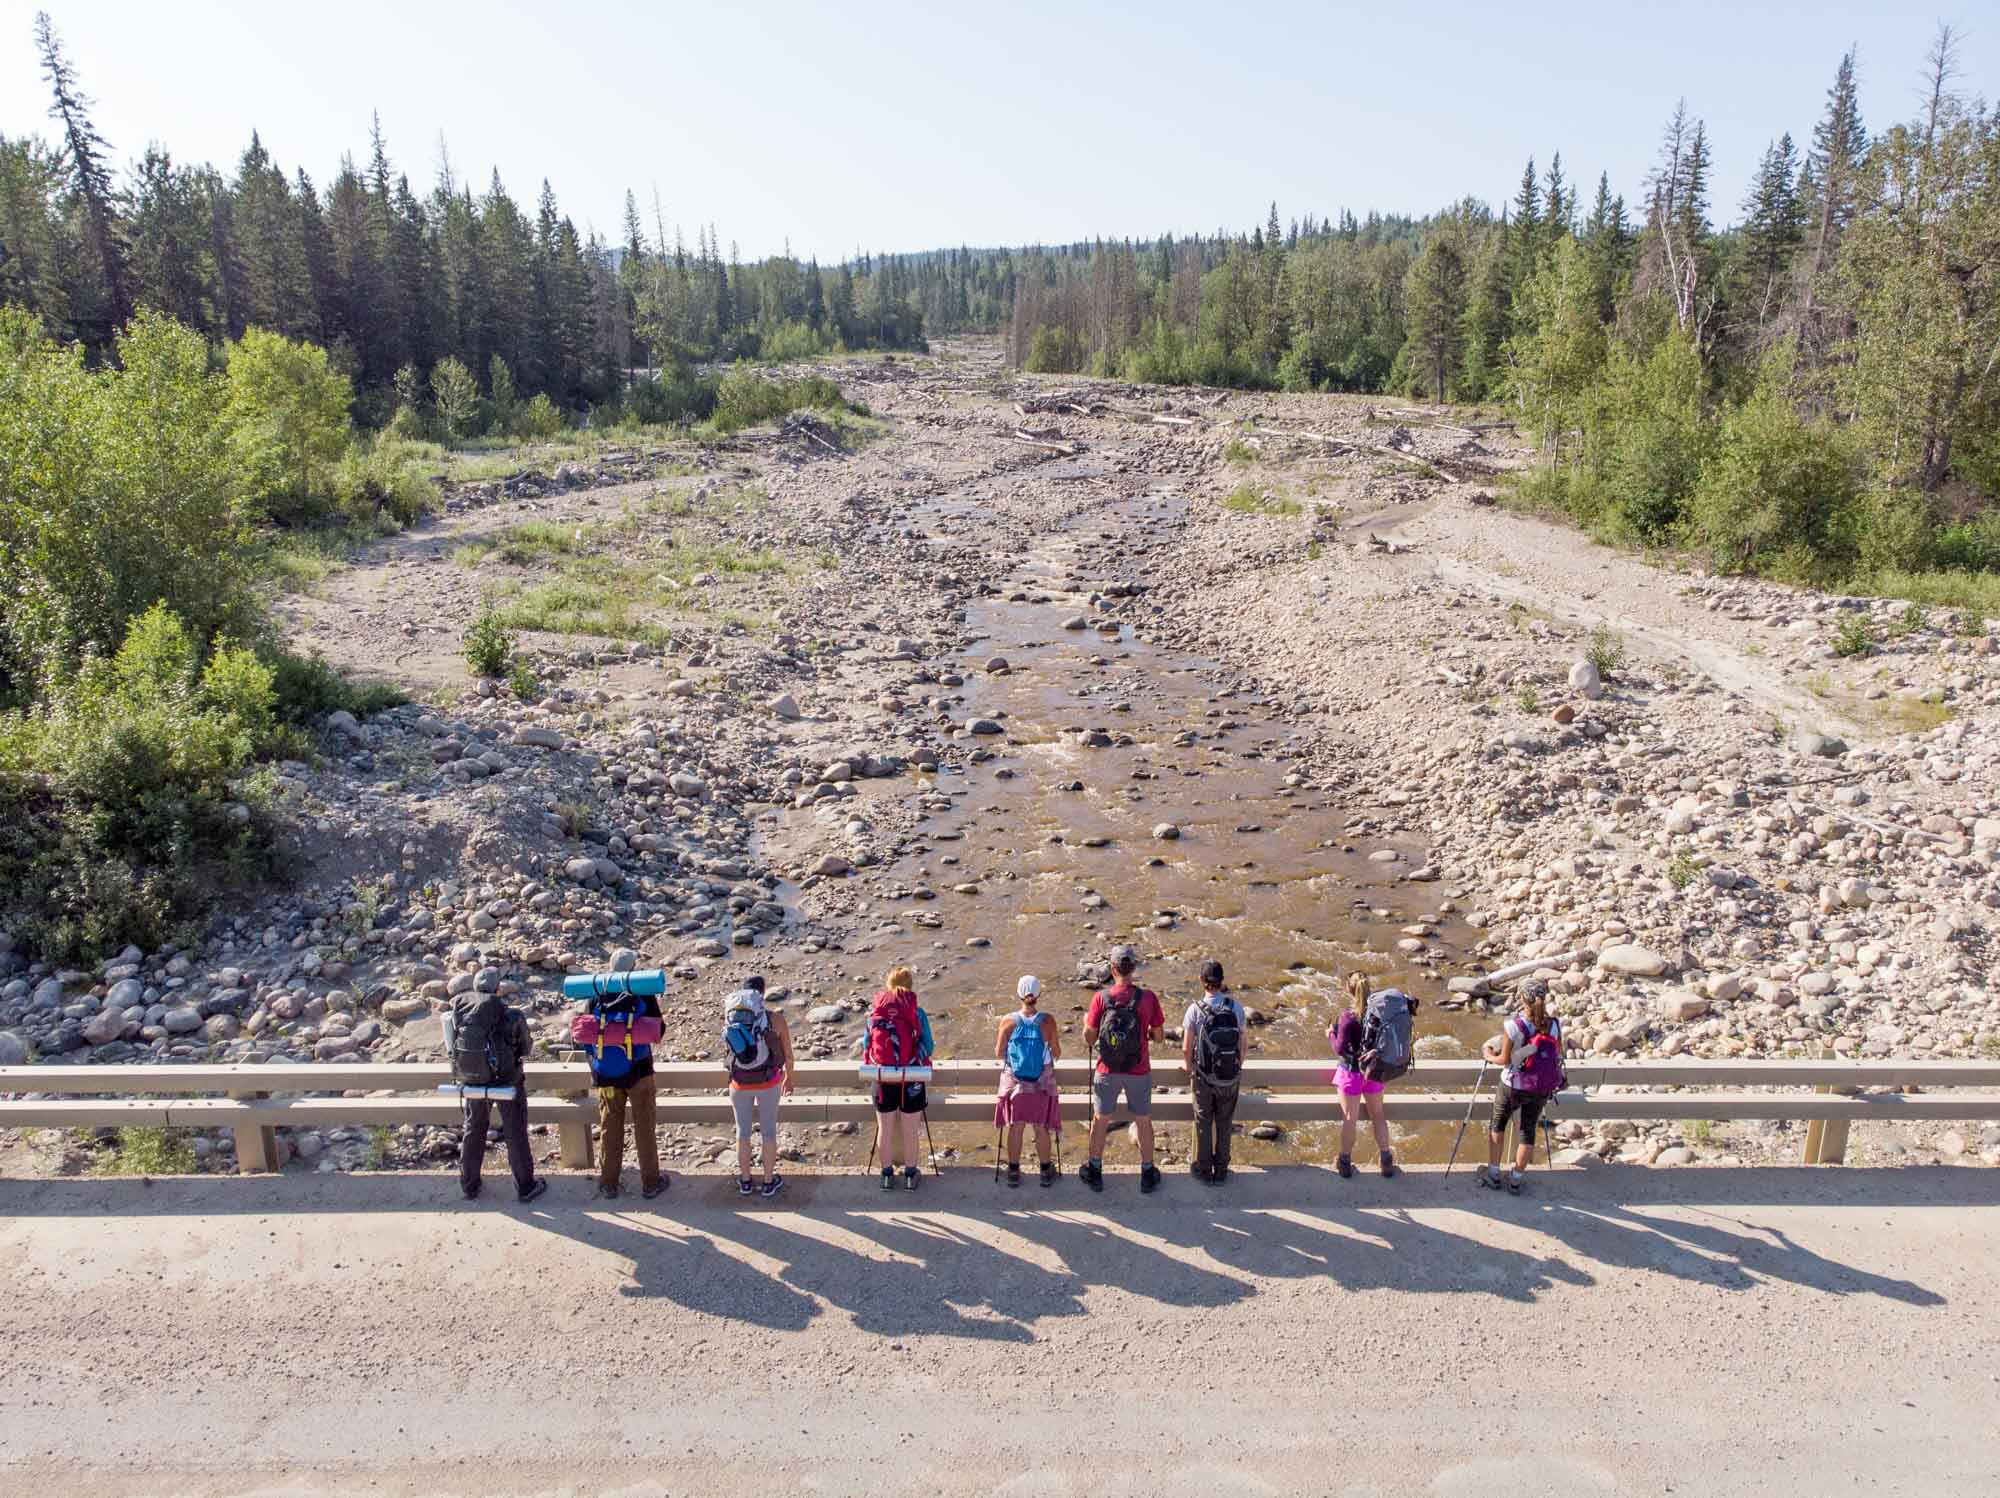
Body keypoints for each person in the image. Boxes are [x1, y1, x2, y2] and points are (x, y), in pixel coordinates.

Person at [446, 981, 547, 1204]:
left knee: (474, 1128)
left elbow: (451, 1045)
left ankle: (469, 1185)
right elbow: (526, 1049)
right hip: (507, 1081)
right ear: (498, 990)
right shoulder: (512, 1016)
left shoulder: (461, 1012)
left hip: (473, 1079)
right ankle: (525, 1187)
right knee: (515, 1131)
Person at [1080, 945, 1167, 1193]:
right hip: (1138, 1069)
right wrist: (1147, 1033)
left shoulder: (1101, 998)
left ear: (1112, 968)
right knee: (1142, 1120)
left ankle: (1095, 1170)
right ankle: (1148, 1172)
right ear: (1134, 968)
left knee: (1101, 1119)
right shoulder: (1148, 998)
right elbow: (1159, 1036)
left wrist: (1086, 1026)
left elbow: (1089, 1037)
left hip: (1107, 1069)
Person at [579, 976, 666, 1201]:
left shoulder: (597, 990)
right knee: (644, 1125)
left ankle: (608, 1184)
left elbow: (586, 1034)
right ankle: (651, 1183)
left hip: (606, 1074)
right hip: (640, 1073)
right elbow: (659, 1030)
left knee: (609, 1125)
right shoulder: (642, 990)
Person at [1479, 978, 1566, 1194]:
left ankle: (1494, 1174)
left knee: (1498, 1125)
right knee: (1528, 1132)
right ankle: (1516, 1179)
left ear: (1521, 998)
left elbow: (1505, 1060)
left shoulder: (1513, 1026)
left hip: (1513, 1085)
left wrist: (1488, 1055)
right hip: (1541, 1087)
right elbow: (1558, 1055)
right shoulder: (1554, 1024)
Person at [1328, 971, 1407, 1180]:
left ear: (1349, 989)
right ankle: (1386, 1159)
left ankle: (1344, 1162)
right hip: (1374, 1072)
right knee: (1378, 1116)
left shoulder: (1348, 1017)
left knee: (1349, 1119)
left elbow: (1339, 1048)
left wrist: (1330, 1034)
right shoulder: (1380, 1014)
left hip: (1352, 1072)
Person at [724, 976, 794, 1198]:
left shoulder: (729, 1020)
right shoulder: (775, 1019)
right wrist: (789, 1078)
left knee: (742, 1133)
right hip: (768, 1081)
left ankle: (745, 1181)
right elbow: (789, 1055)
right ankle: (767, 1182)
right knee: (768, 1132)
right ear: (761, 995)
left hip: (739, 1082)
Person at [867, 966, 934, 1191]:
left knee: (884, 1129)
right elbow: (929, 1046)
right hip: (911, 1076)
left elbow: (868, 1045)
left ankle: (886, 1176)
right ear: (910, 986)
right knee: (910, 1131)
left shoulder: (877, 1011)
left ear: (888, 984)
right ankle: (910, 1175)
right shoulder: (918, 1012)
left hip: (883, 1078)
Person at [1182, 959, 1246, 1185]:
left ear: (1201, 981)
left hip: (1204, 1077)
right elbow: (1242, 1045)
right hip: (1230, 1077)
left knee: (1203, 1121)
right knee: (1224, 1122)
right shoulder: (1235, 1008)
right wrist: (1236, 1067)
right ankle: (1221, 1170)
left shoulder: (1195, 1010)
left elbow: (1186, 1047)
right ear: (1222, 981)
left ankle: (1203, 1168)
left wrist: (1188, 1066)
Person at [994, 974, 1061, 1187]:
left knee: (1016, 1127)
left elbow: (999, 1053)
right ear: (1039, 994)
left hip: (1017, 1083)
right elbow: (1056, 1051)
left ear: (1018, 994)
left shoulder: (1008, 1021)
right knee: (1040, 1127)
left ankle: (1013, 1171)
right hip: (1040, 1083)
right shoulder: (1048, 1021)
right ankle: (1045, 1171)